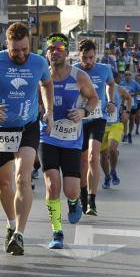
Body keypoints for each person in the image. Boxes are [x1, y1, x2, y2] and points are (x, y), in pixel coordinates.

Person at [0, 22, 53, 256]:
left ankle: (20, 234)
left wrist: (48, 110)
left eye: (24, 49)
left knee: (23, 178)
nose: (20, 55)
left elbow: (47, 84)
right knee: (3, 183)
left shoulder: (39, 62)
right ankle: (11, 225)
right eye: (15, 50)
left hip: (27, 126)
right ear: (6, 45)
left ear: (30, 44)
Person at [39, 35, 99, 249]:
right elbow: (33, 102)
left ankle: (74, 202)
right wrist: (41, 114)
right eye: (50, 48)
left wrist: (83, 111)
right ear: (47, 53)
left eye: (59, 48)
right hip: (48, 137)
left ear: (67, 53)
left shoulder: (79, 77)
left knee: (71, 190)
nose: (55, 51)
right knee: (52, 184)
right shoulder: (41, 76)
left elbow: (94, 98)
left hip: (72, 140)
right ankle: (57, 231)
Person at [76, 39, 115, 217]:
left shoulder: (104, 69)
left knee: (93, 156)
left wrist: (111, 100)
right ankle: (82, 196)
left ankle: (92, 200)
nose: (88, 61)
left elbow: (111, 83)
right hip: (78, 120)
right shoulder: (74, 70)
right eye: (85, 57)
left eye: (91, 57)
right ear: (79, 55)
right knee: (83, 161)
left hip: (98, 117)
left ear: (96, 56)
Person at [100, 73, 132, 188]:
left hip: (116, 124)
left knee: (112, 148)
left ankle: (113, 170)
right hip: (101, 125)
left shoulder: (118, 88)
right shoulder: (95, 88)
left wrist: (127, 112)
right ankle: (107, 176)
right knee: (103, 156)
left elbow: (129, 98)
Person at [120, 71, 140, 144]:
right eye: (126, 75)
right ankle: (125, 134)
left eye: (129, 75)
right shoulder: (121, 83)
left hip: (133, 105)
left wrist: (134, 93)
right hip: (124, 104)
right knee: (124, 120)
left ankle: (129, 134)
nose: (127, 76)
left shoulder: (135, 83)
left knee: (131, 120)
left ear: (131, 76)